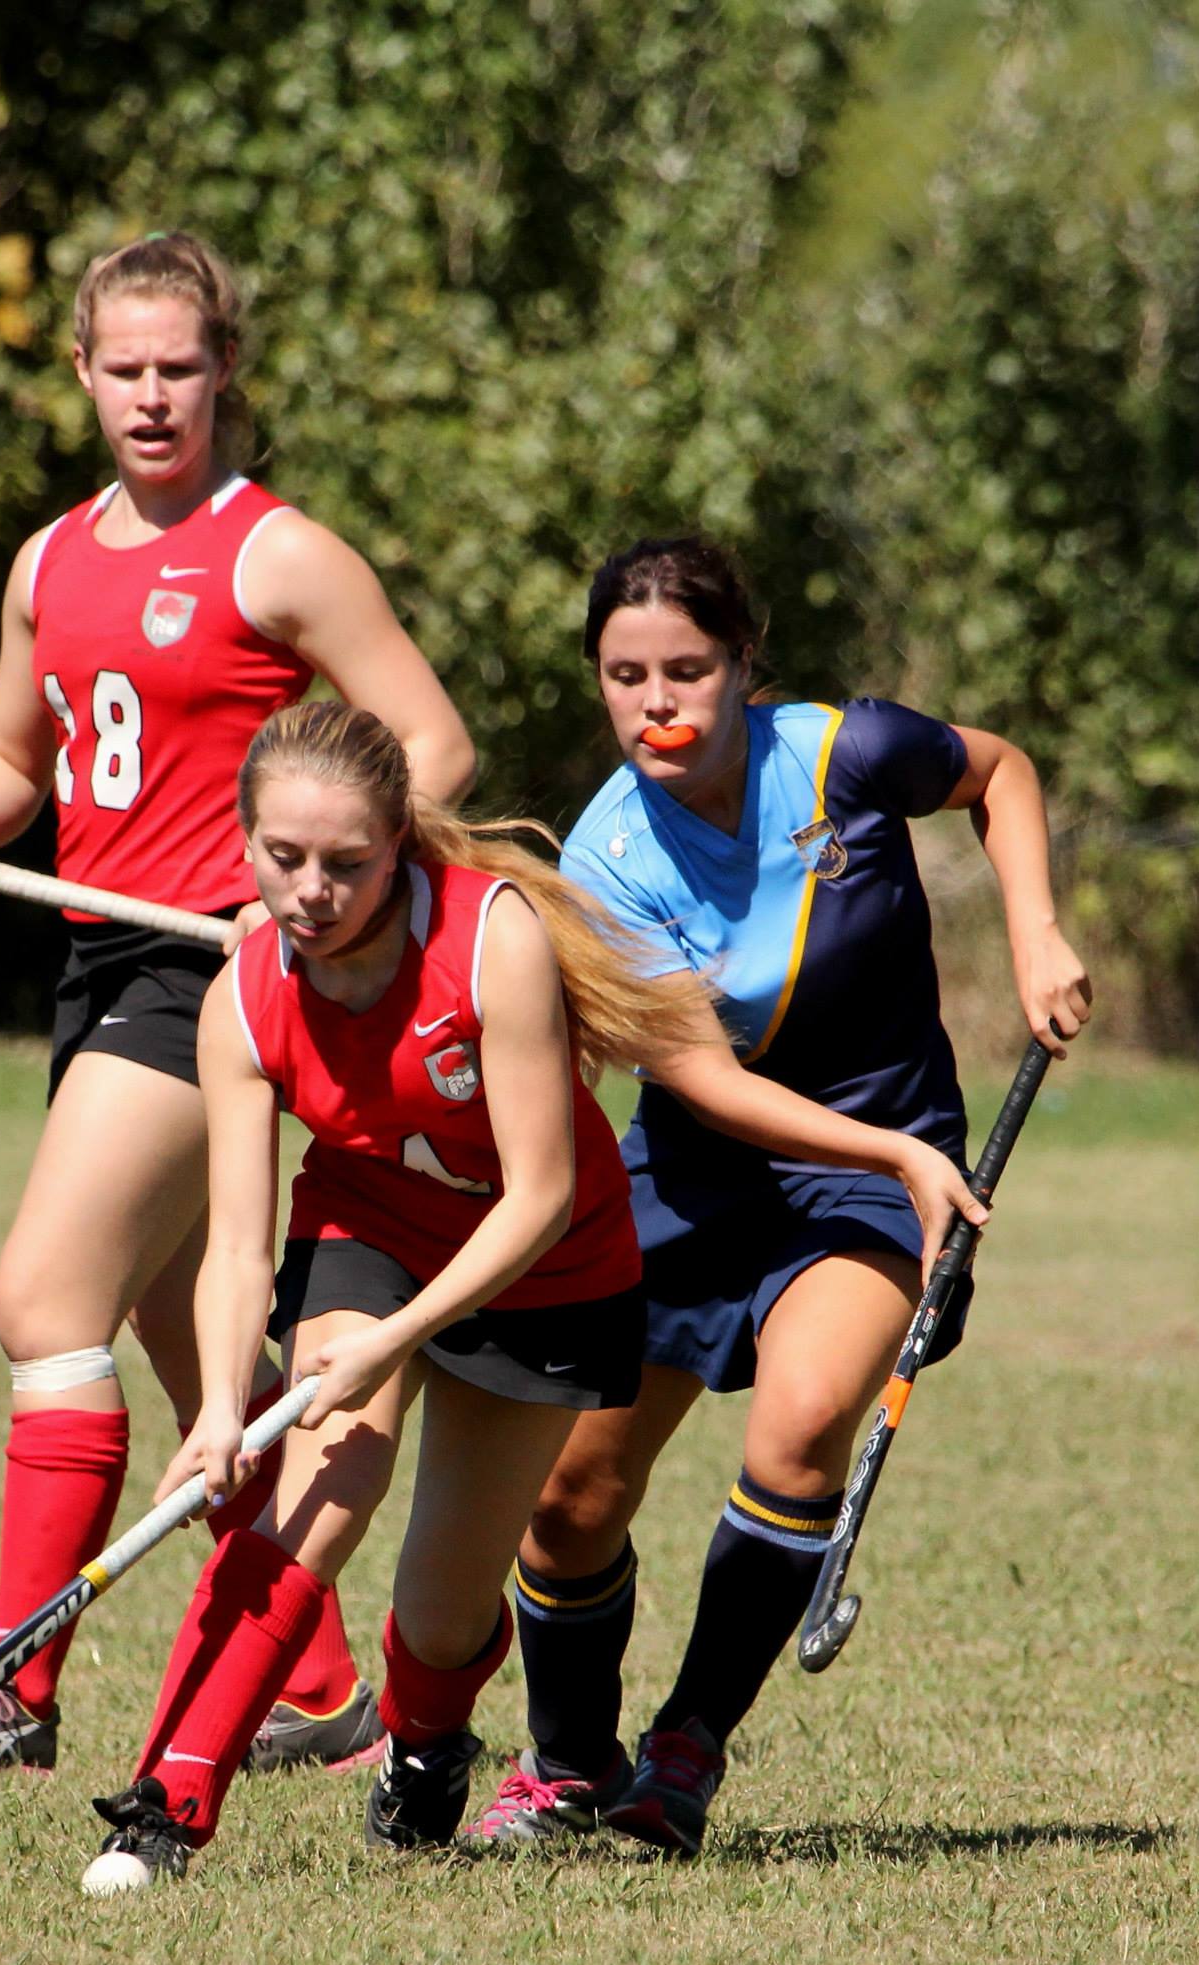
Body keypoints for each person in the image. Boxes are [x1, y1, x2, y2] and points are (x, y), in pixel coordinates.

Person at [0, 232, 474, 1775]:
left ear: (223, 375)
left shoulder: (278, 554)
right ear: (79, 372)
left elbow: (433, 750)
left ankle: (13, 1688)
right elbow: (16, 761)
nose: (150, 397)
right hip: (96, 960)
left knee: (44, 1295)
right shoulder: (48, 562)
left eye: (178, 369)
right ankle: (323, 1684)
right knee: (194, 1347)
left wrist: (314, 906)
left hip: (213, 968)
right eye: (121, 369)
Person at [466, 535, 1093, 1854]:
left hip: (875, 1172)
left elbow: (1000, 772)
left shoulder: (843, 754)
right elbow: (696, 1078)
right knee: (569, 1498)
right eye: (623, 674)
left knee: (799, 1428)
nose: (655, 701)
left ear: (742, 663)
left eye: (685, 669)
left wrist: (1035, 928)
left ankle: (682, 1755)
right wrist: (904, 1160)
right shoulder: (600, 859)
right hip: (697, 1169)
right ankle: (569, 1761)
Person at [77, 701, 710, 1887]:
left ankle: (426, 1740)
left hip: (547, 1269)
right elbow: (234, 1246)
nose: (310, 890)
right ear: (247, 839)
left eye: (346, 863)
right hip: (369, 1226)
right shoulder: (243, 995)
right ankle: (168, 1796)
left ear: (398, 842)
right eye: (283, 857)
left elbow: (539, 1193)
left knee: (439, 1607)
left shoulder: (492, 938)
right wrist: (221, 1404)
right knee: (316, 1490)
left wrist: (400, 1341)